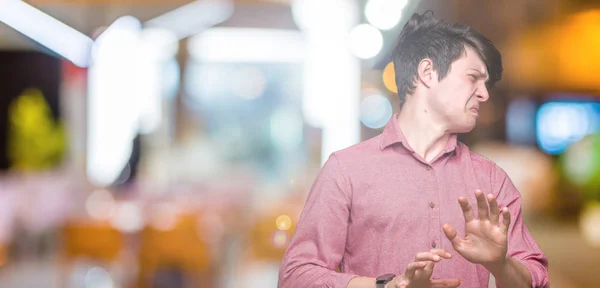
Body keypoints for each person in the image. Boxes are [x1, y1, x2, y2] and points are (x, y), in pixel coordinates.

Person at [278, 11, 549, 288]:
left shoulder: (492, 180)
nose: (484, 94)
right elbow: (296, 277)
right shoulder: (346, 171)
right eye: (473, 78)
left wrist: (501, 265)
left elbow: (536, 281)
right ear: (428, 73)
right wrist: (386, 286)